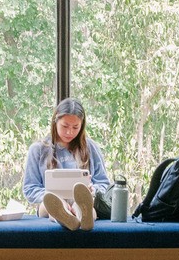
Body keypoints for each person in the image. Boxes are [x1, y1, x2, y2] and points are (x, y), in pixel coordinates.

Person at [21, 97, 112, 231]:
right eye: (65, 126)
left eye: (75, 127)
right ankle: (65, 215)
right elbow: (30, 188)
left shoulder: (91, 148)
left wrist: (93, 190)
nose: (70, 132)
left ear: (82, 126)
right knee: (50, 205)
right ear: (55, 121)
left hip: (83, 200)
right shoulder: (38, 149)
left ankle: (81, 216)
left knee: (85, 207)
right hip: (50, 204)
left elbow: (104, 183)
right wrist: (52, 196)